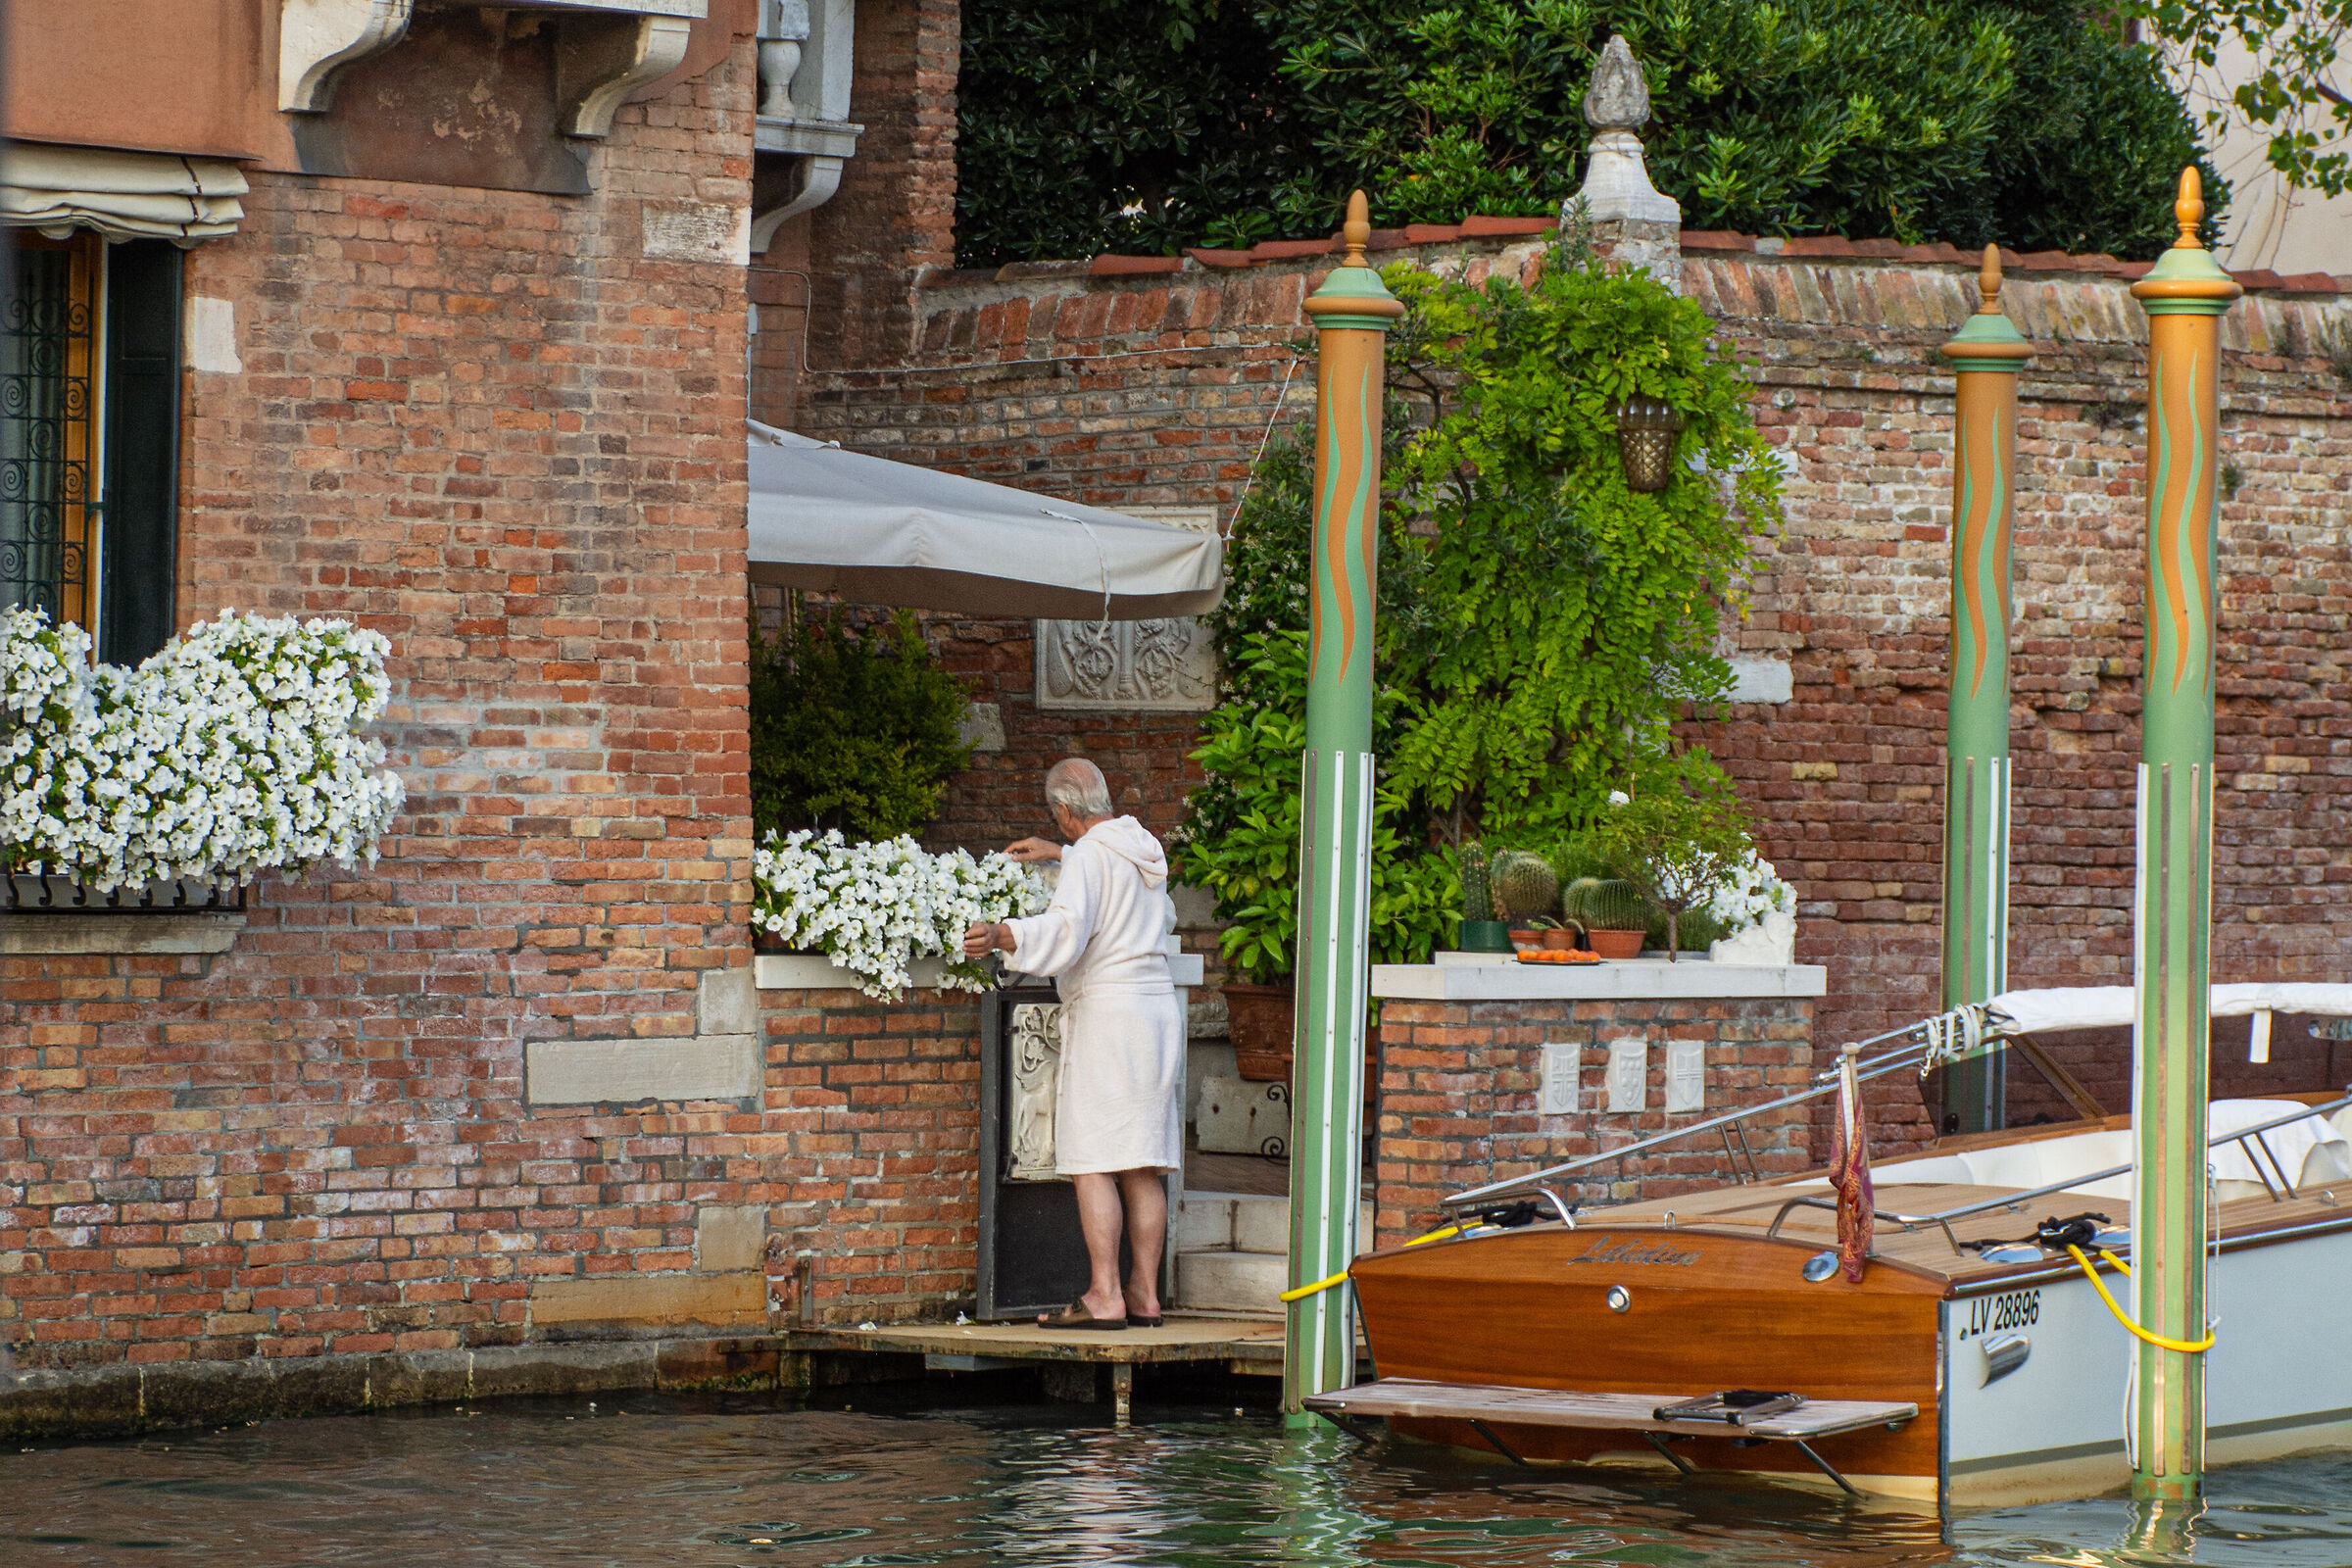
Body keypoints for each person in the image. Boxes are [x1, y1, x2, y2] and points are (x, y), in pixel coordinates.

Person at [963, 758, 1184, 1330]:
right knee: (1142, 1164)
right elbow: (1130, 895)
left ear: (1063, 810)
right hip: (1157, 1012)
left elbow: (1067, 928)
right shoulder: (1142, 846)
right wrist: (1065, 853)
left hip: (1110, 1017)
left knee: (1093, 1160)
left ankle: (1104, 1295)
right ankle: (1144, 1296)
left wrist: (1004, 933)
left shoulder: (1089, 855)